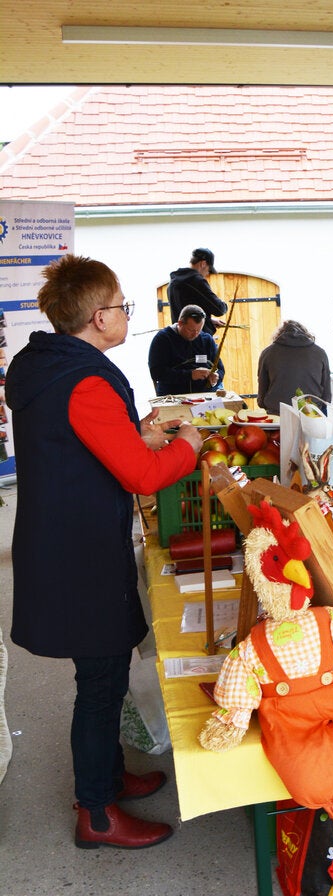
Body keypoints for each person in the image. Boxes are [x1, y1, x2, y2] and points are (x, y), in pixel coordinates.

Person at [5, 255, 203, 849]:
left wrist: (130, 432)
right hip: (80, 553)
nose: (126, 315)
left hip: (62, 539)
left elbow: (82, 443)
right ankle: (96, 812)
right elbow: (143, 475)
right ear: (97, 317)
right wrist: (187, 444)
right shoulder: (86, 380)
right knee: (100, 680)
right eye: (121, 305)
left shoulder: (44, 365)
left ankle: (109, 777)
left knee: (105, 672)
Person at [257, 320, 331, 415]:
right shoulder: (320, 353)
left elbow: (261, 398)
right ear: (306, 334)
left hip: (277, 415)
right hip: (311, 416)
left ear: (279, 335)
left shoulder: (267, 353)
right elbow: (327, 397)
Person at [148, 304, 224, 395]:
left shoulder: (206, 340)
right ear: (180, 323)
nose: (195, 334)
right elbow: (157, 373)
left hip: (204, 395)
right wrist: (190, 375)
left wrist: (216, 376)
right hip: (174, 395)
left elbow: (220, 369)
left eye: (199, 330)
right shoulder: (163, 339)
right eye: (191, 330)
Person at [167, 247, 227, 334]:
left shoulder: (173, 283)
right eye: (209, 270)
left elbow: (186, 314)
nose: (207, 274)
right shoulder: (195, 281)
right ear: (203, 264)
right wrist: (224, 305)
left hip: (179, 338)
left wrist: (208, 320)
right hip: (197, 339)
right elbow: (219, 309)